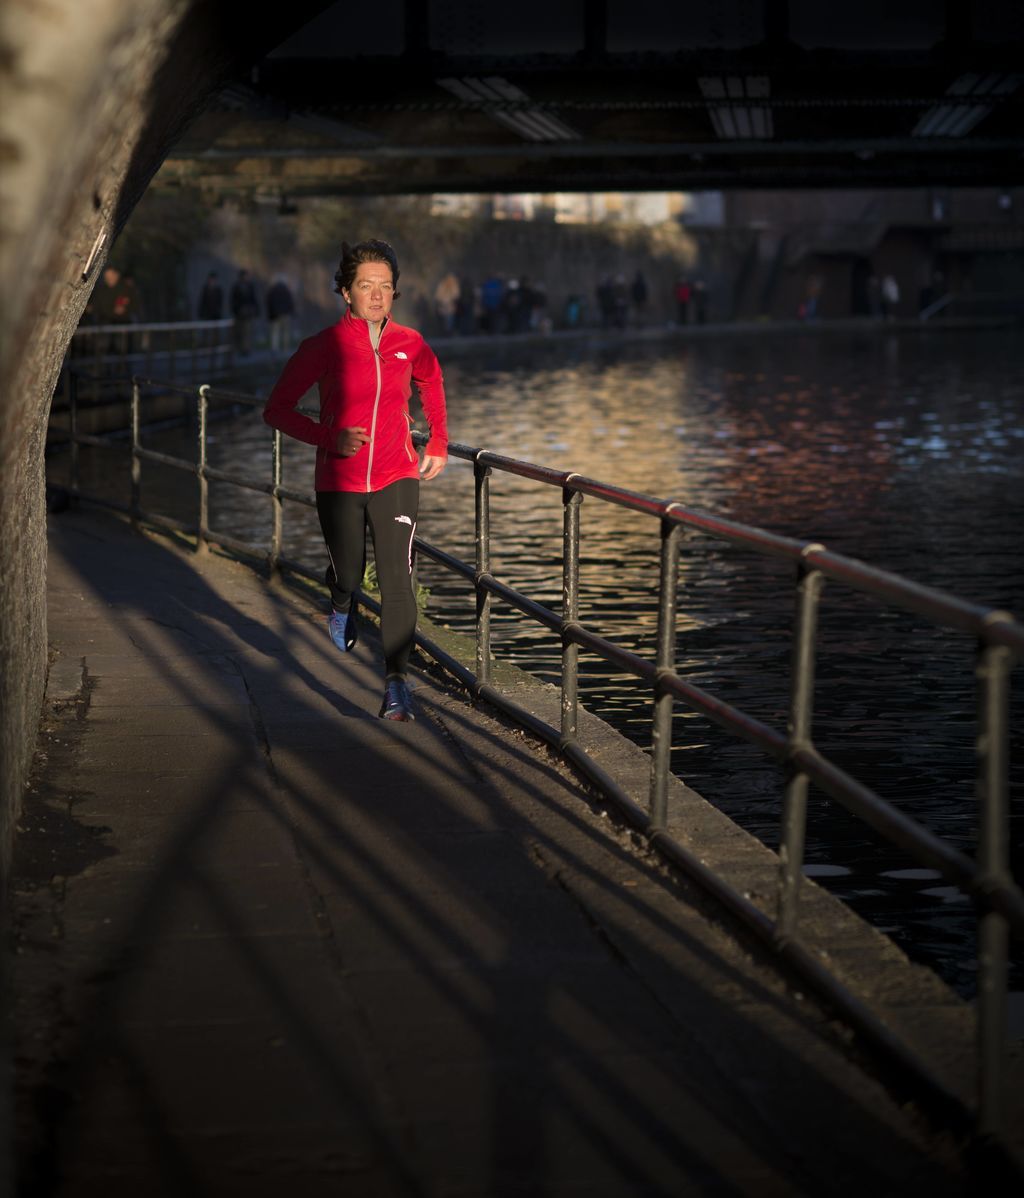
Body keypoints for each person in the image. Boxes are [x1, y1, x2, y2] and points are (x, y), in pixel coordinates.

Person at [262, 239, 448, 722]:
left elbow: (431, 379)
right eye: (366, 286)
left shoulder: (410, 343)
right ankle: (340, 599)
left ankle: (397, 683)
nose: (377, 295)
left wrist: (439, 441)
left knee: (397, 580)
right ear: (345, 292)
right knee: (349, 571)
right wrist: (329, 436)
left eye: (386, 287)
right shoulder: (323, 347)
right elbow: (276, 410)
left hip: (397, 474)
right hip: (339, 480)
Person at [230, 269, 259, 355]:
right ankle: (240, 348)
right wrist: (236, 310)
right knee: (239, 332)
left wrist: (254, 310)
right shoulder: (236, 287)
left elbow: (253, 299)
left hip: (247, 312)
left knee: (247, 331)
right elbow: (233, 300)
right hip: (239, 313)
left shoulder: (250, 286)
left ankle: (246, 349)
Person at [266, 277, 295, 358]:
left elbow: (269, 303)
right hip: (285, 314)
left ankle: (275, 348)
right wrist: (291, 312)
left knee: (275, 332)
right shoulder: (286, 291)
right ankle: (285, 348)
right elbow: (290, 302)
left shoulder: (272, 291)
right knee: (285, 332)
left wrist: (270, 315)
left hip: (275, 315)